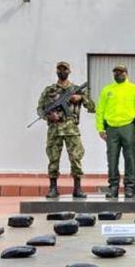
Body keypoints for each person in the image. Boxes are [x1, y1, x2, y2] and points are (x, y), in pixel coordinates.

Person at [36, 61, 94, 199]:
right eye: (60, 69)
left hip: (71, 129)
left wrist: (81, 97)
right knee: (53, 159)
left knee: (76, 158)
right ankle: (53, 188)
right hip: (54, 130)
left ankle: (77, 188)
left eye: (65, 69)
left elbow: (92, 107)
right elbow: (40, 110)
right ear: (56, 71)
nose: (62, 72)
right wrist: (50, 116)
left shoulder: (77, 89)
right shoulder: (49, 90)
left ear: (69, 71)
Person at [95, 64, 135, 198]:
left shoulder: (134, 89)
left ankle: (129, 187)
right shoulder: (107, 90)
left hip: (128, 127)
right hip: (111, 128)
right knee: (112, 158)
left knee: (130, 158)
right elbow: (100, 110)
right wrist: (100, 128)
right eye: (116, 72)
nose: (118, 75)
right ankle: (113, 186)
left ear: (126, 73)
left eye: (121, 72)